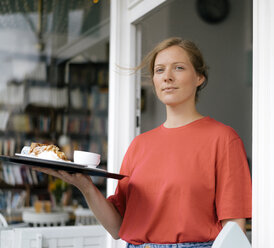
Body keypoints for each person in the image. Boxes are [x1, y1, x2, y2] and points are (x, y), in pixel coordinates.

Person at [35, 37, 252, 248]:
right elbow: (117, 228)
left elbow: (233, 229)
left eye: (178, 68)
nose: (167, 77)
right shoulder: (139, 145)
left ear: (199, 77)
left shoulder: (223, 138)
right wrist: (85, 186)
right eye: (159, 70)